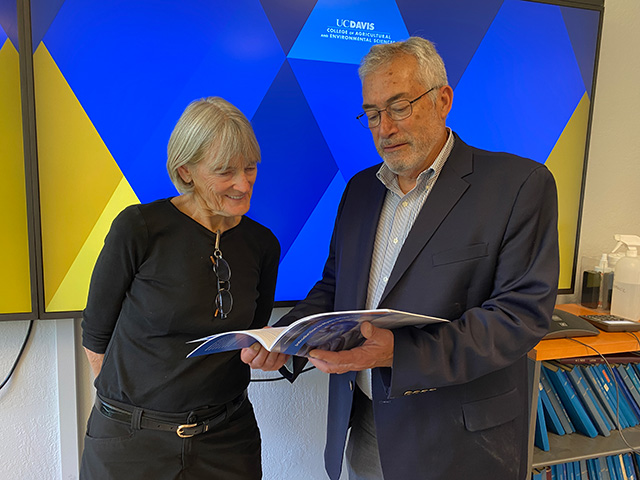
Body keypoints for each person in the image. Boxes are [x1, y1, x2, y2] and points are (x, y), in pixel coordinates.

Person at [242, 37, 559, 480]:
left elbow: (518, 318)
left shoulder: (519, 185)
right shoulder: (359, 190)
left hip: (460, 441)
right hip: (368, 428)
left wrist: (399, 353)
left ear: (442, 100)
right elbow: (335, 288)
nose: (384, 128)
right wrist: (285, 339)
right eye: (371, 113)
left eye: (399, 106)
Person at [80, 96, 280, 479]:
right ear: (186, 171)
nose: (243, 183)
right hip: (130, 443)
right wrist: (137, 412)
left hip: (227, 441)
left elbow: (252, 332)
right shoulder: (139, 228)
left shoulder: (262, 244)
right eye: (225, 172)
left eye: (250, 167)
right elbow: (96, 334)